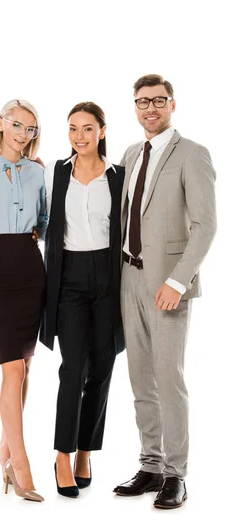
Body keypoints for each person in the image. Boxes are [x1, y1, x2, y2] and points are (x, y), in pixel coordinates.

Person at [113, 74, 217, 509]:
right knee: (140, 378)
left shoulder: (192, 154)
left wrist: (178, 281)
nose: (149, 109)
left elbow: (205, 225)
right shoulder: (132, 153)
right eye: (141, 102)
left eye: (157, 101)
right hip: (128, 277)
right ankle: (151, 464)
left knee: (168, 379)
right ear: (135, 107)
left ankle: (177, 474)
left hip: (167, 283)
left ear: (172, 103)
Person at [41, 102, 125, 498]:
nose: (79, 137)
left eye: (87, 129)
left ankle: (86, 451)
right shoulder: (55, 173)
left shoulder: (118, 176)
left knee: (103, 368)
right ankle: (62, 453)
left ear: (102, 131)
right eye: (73, 129)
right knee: (73, 368)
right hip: (70, 280)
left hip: (109, 280)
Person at [0, 99, 47, 502]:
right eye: (17, 124)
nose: (23, 134)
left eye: (31, 129)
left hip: (29, 266)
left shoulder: (39, 171)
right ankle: (20, 465)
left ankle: (3, 450)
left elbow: (47, 219)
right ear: (1, 124)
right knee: (12, 370)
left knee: (25, 366)